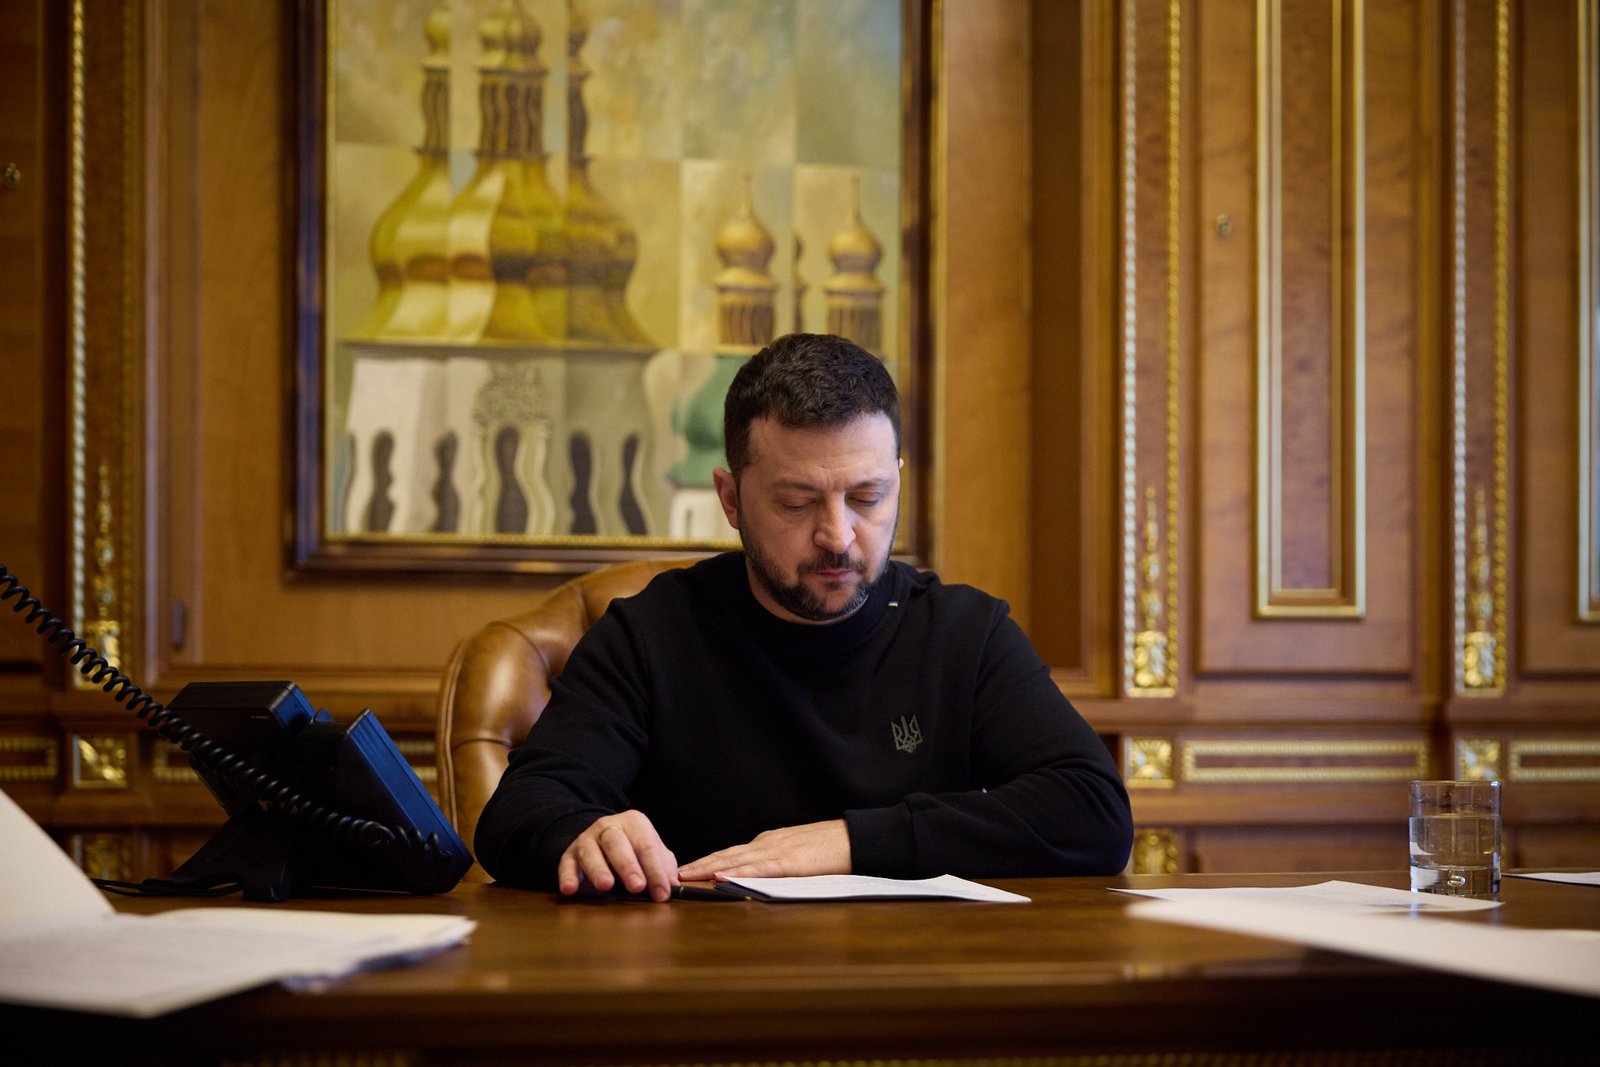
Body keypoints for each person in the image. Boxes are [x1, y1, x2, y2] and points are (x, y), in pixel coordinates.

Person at [474, 333, 1133, 900]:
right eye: (797, 502)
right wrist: (586, 835)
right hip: (702, 978)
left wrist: (848, 842)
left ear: (898, 481)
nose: (838, 536)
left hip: (916, 980)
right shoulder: (649, 636)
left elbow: (1093, 812)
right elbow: (517, 815)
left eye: (867, 497)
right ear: (731, 499)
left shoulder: (964, 633)